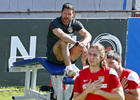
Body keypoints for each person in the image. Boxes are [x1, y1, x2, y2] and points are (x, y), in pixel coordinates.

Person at [46, 3, 92, 77]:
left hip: (68, 55)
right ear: (61, 13)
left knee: (86, 43)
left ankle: (86, 70)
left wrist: (84, 43)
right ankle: (69, 69)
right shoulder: (54, 23)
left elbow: (88, 35)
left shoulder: (75, 23)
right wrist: (76, 43)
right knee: (64, 41)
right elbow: (62, 35)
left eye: (69, 14)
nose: (66, 16)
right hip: (55, 56)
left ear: (73, 14)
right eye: (65, 14)